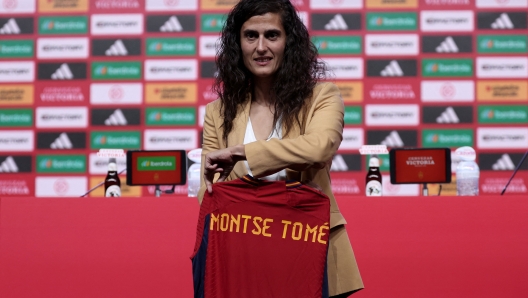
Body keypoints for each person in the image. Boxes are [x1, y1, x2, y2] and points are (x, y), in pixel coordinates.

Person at [197, 0, 364, 296]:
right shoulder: (217, 112)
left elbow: (318, 148)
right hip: (244, 256)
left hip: (310, 247)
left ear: (289, 42)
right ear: (238, 45)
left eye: (272, 35)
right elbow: (209, 194)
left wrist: (242, 152)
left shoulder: (322, 96)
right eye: (251, 36)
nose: (261, 47)